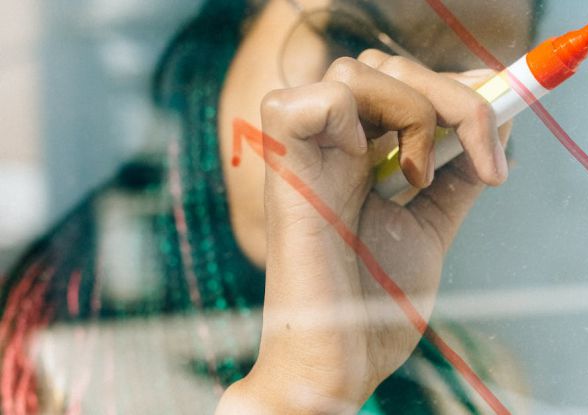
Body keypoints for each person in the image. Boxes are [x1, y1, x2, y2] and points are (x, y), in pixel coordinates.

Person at [1, 0, 540, 413]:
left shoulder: (474, 380)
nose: (397, 125)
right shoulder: (39, 351)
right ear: (237, 26)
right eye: (349, 42)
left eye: (464, 107)